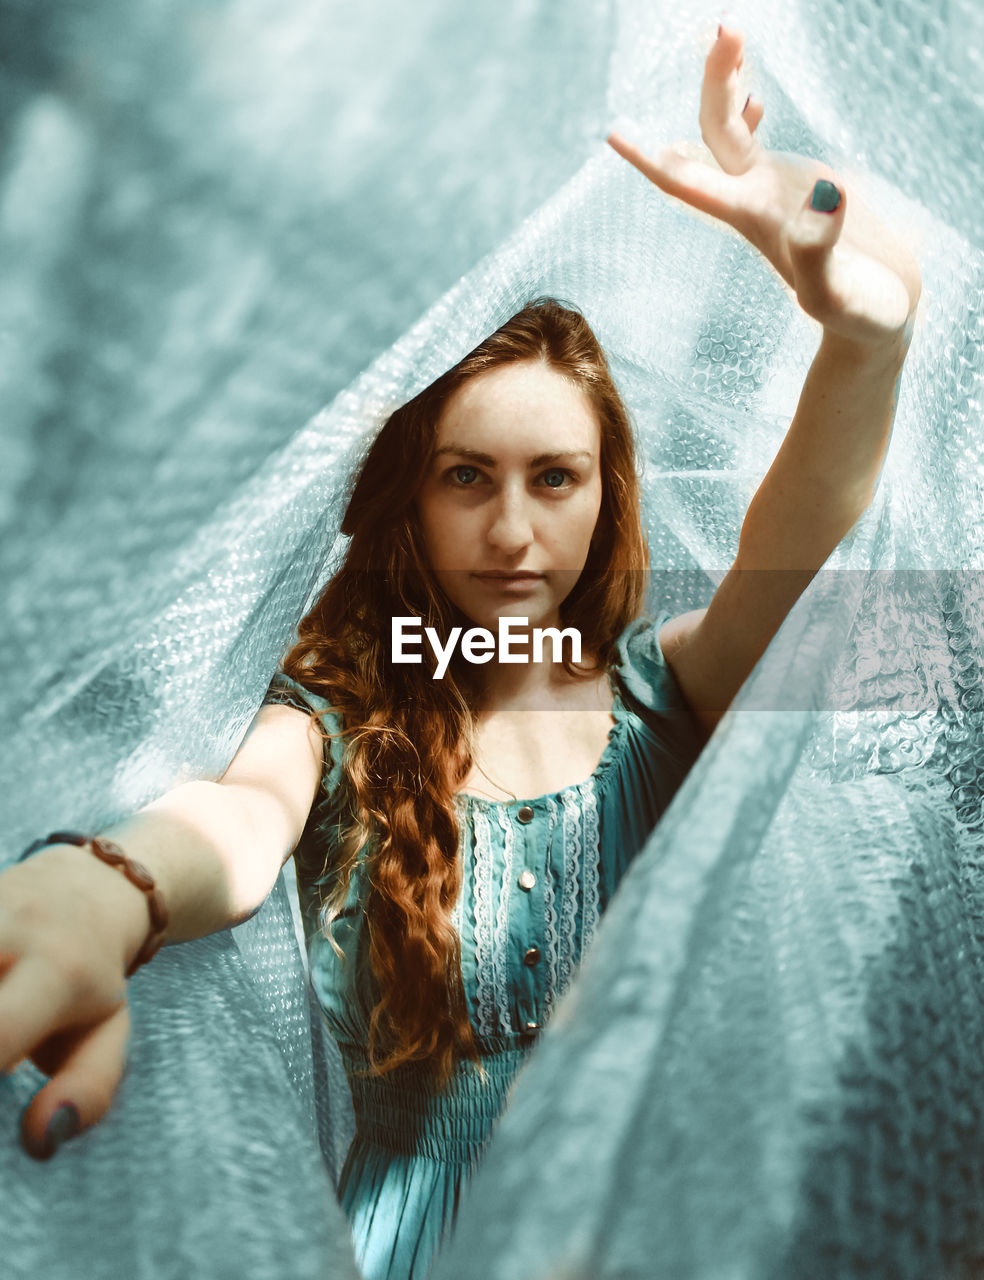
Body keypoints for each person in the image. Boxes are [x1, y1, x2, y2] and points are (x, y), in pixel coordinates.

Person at [0, 23, 920, 1280]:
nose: (511, 530)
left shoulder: (670, 687)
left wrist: (864, 344)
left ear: (609, 495)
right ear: (408, 499)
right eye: (464, 477)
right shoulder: (340, 711)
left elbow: (795, 550)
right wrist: (113, 883)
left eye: (557, 478)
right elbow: (237, 817)